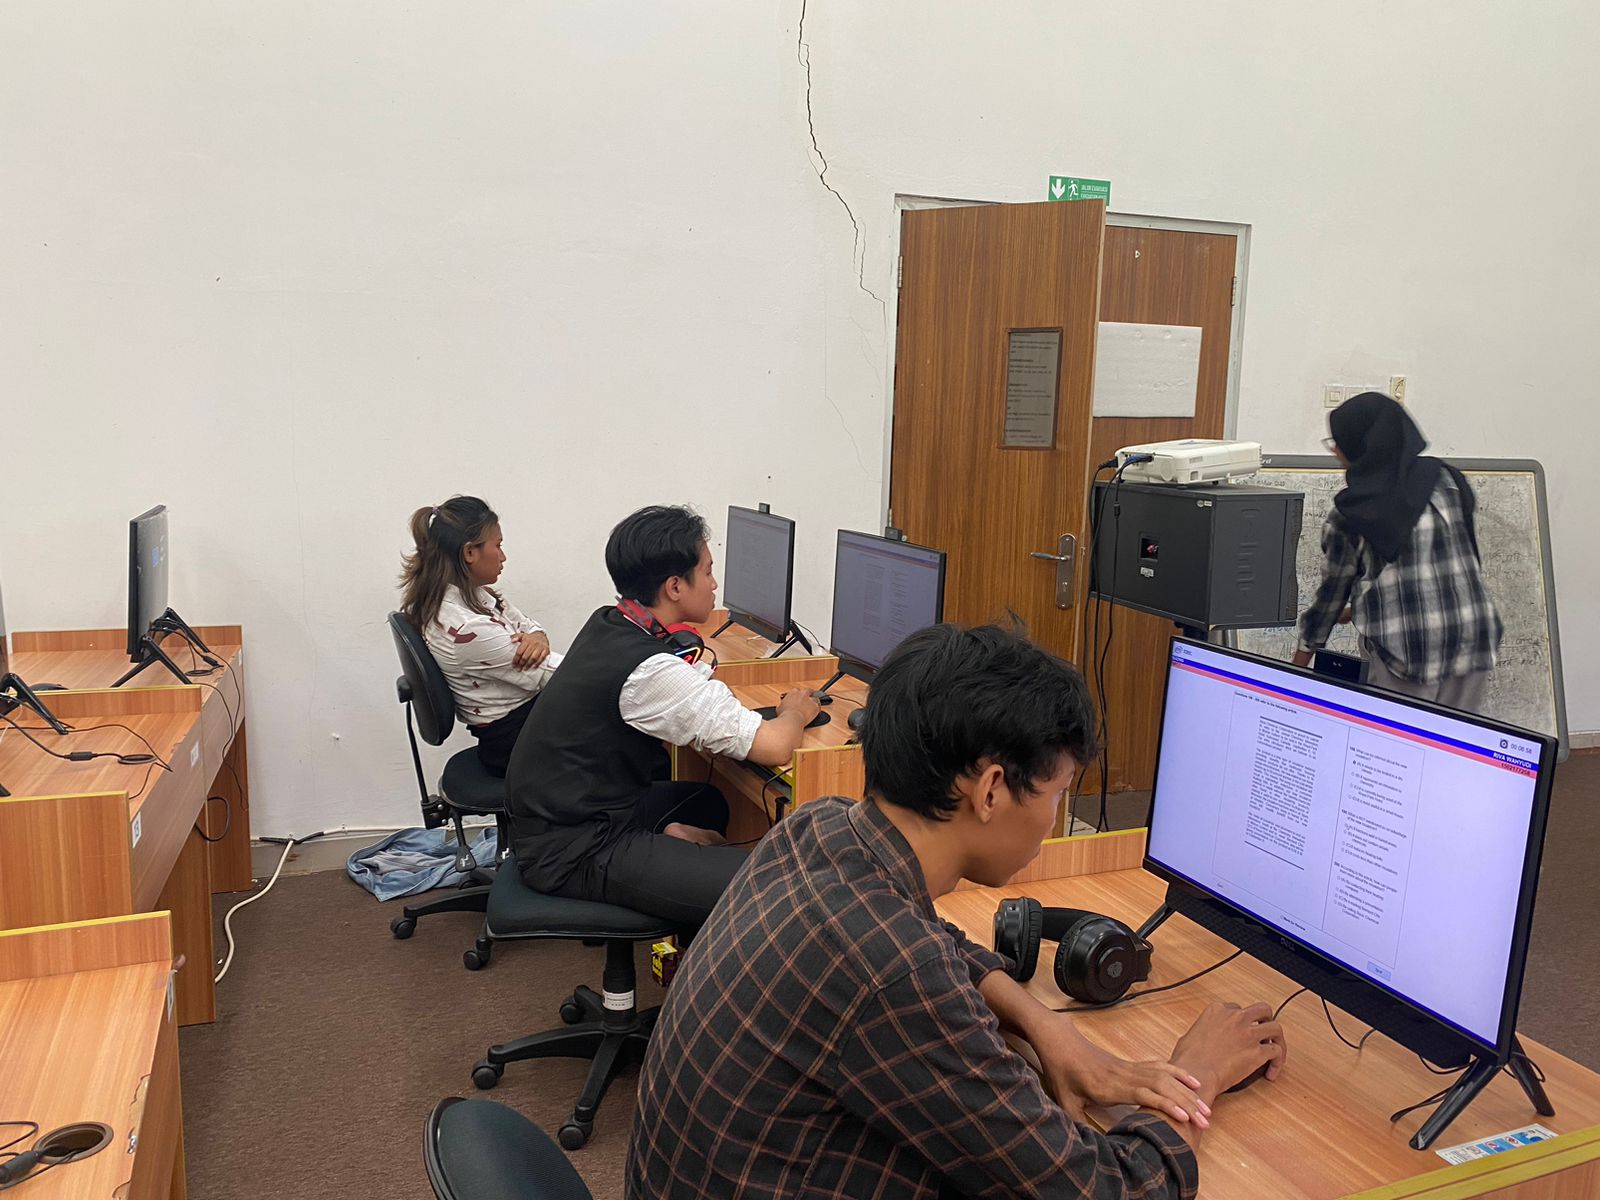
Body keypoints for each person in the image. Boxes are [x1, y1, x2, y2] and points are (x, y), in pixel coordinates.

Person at [628, 623, 1287, 1199]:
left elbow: (937, 940)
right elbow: (1111, 1189)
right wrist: (1196, 1075)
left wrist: (1048, 1029)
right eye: (1058, 792)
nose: (1055, 817)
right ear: (992, 790)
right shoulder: (896, 973)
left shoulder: (822, 826)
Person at [504, 504, 820, 929]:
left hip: (574, 815)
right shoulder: (649, 671)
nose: (714, 583)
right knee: (777, 890)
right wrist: (795, 712)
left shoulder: (611, 622)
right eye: (708, 571)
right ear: (675, 587)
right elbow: (775, 745)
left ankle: (684, 903)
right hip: (575, 850)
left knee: (707, 802)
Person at [1293, 393, 1501, 712]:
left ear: (1360, 447)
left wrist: (1296, 666)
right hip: (1473, 638)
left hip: (1408, 651)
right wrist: (1359, 608)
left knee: (1397, 740)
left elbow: (1330, 599)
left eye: (1338, 442)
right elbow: (1456, 563)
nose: (1335, 450)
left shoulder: (1349, 515)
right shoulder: (1448, 479)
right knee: (1453, 737)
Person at [398, 496, 559, 777]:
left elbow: (527, 624)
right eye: (498, 545)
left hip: (524, 723)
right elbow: (562, 677)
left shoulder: (471, 597)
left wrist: (538, 637)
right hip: (516, 743)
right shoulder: (467, 630)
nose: (503, 556)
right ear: (470, 552)